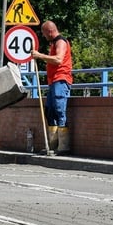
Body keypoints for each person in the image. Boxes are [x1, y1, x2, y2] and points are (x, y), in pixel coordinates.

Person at [31, 20, 72, 155]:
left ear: (50, 31)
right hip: (53, 81)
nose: (43, 36)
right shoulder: (54, 43)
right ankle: (53, 145)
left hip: (61, 80)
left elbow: (59, 59)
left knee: (59, 110)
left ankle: (63, 147)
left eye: (44, 33)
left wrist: (40, 56)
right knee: (50, 110)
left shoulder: (60, 42)